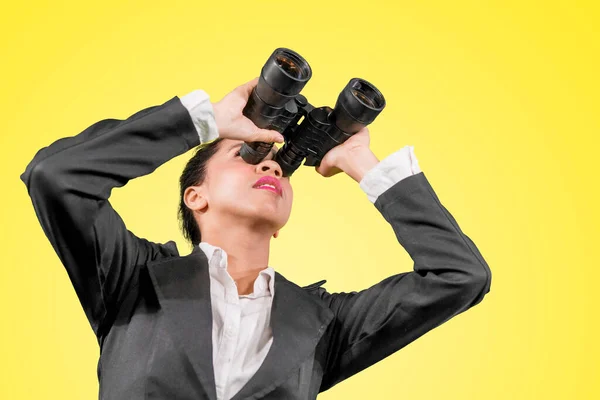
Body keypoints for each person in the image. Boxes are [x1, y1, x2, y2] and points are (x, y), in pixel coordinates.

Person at [20, 77, 492, 400]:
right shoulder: (132, 282)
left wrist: (362, 165)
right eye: (245, 154)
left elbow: (461, 276)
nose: (269, 164)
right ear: (195, 196)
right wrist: (203, 122)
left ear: (282, 220)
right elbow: (56, 176)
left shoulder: (324, 324)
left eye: (279, 165)